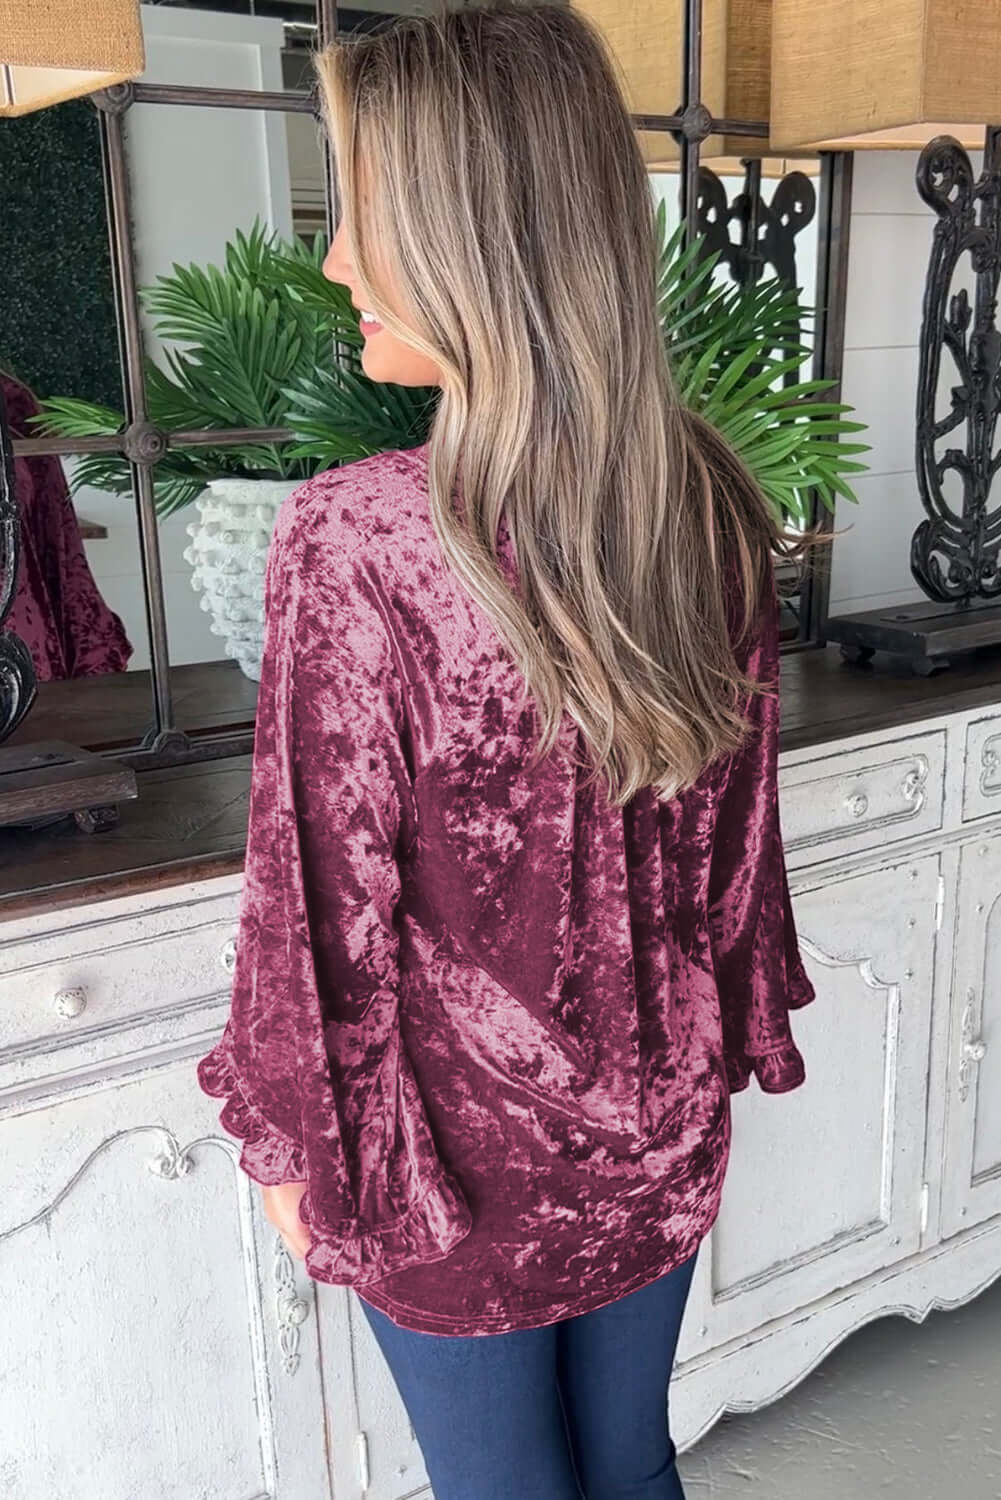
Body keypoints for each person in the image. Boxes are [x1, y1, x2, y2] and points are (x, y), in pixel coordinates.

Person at [196, 5, 816, 1496]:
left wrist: (292, 1144)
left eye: (362, 213)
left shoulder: (357, 539)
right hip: (655, 1113)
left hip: (447, 1158)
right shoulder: (706, 503)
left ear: (476, 238)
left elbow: (313, 904)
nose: (333, 260)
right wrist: (703, 1055)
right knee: (624, 1464)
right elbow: (733, 864)